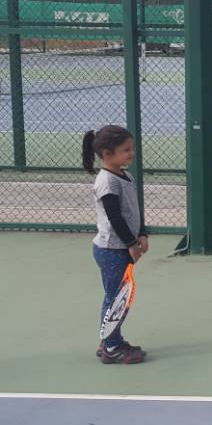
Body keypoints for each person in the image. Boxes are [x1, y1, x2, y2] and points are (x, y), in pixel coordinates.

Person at [83, 125, 149, 365]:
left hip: (122, 248)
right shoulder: (106, 182)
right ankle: (111, 346)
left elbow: (134, 209)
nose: (131, 153)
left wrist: (142, 233)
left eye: (131, 149)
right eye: (126, 150)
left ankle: (111, 340)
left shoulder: (125, 176)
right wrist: (131, 242)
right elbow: (114, 217)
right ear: (107, 154)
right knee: (116, 298)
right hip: (111, 250)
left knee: (120, 296)